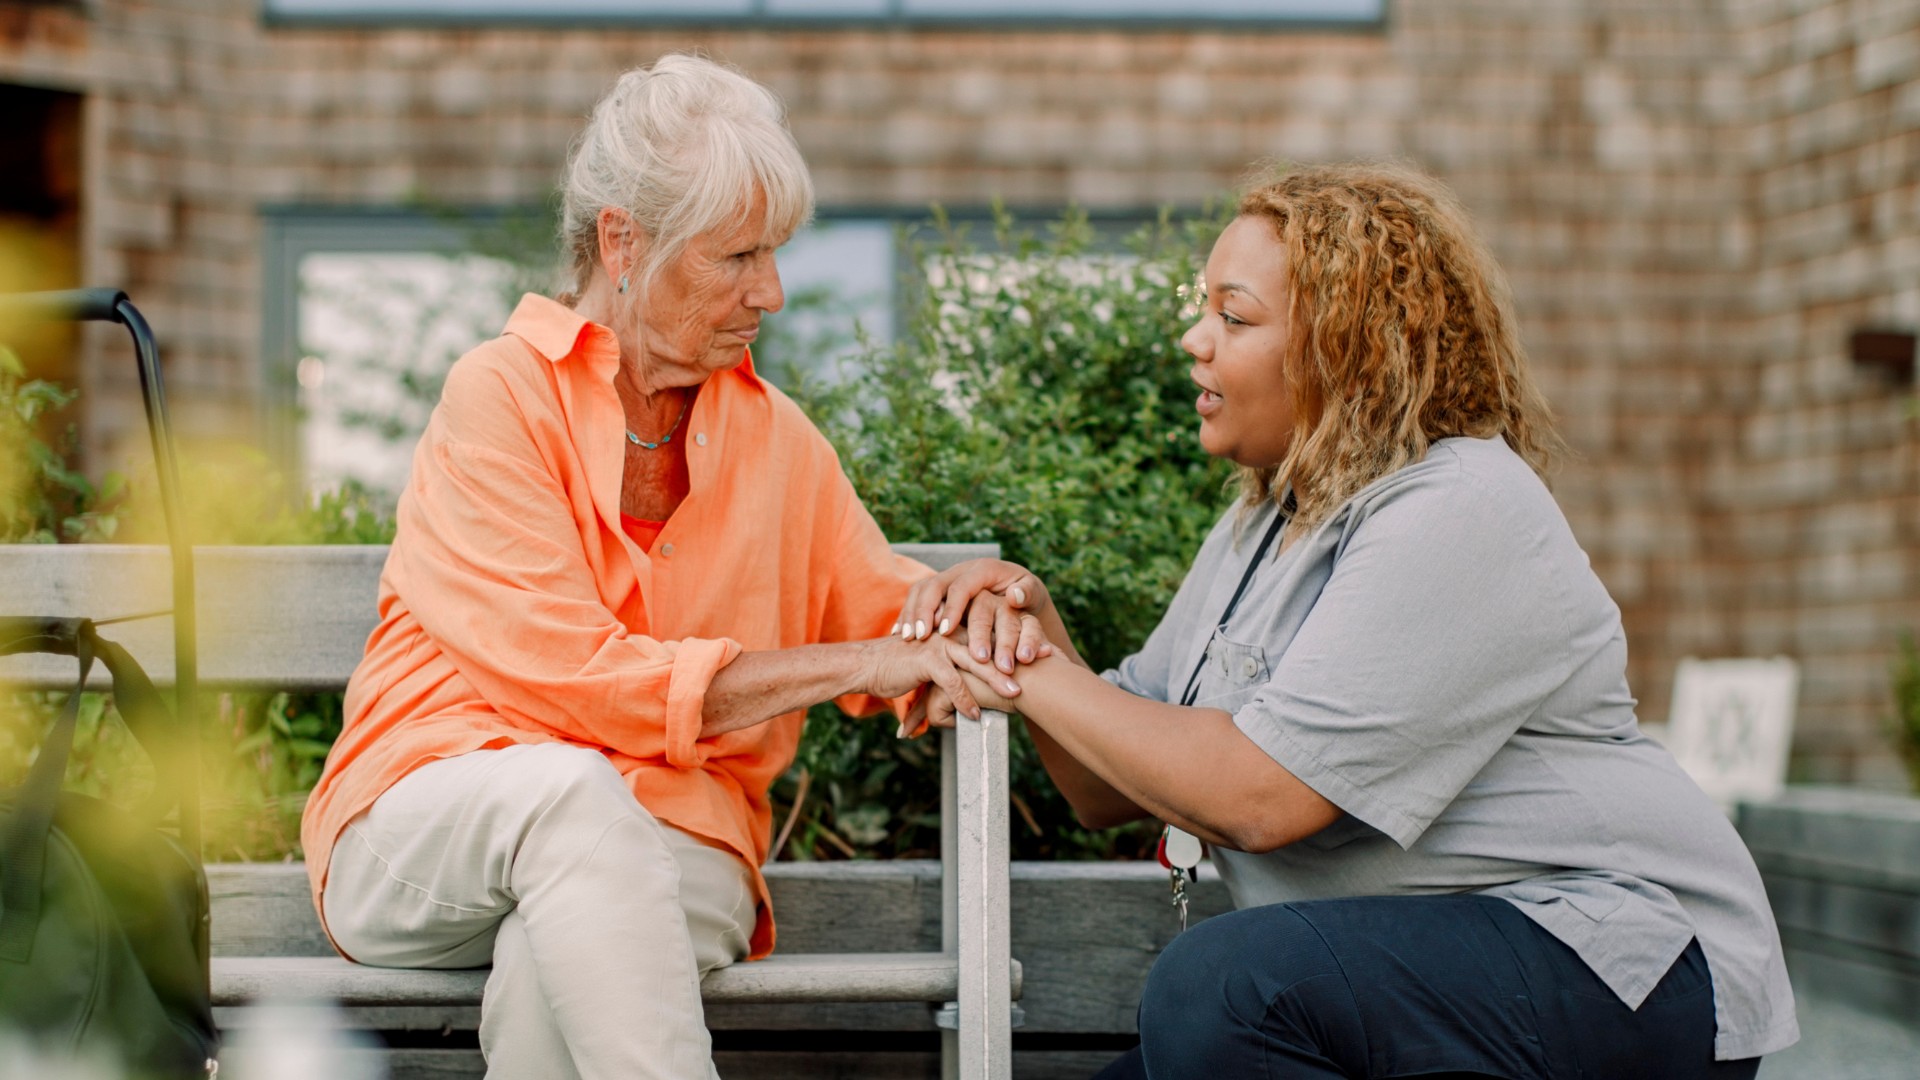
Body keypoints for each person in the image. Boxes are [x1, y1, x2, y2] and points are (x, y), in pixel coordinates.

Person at [898, 163, 1799, 1078]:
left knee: (1223, 991)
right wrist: (1028, 627)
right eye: (1200, 307)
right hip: (1442, 978)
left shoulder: (1461, 506)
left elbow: (1260, 800)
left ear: (1347, 345)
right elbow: (1107, 790)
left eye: (1234, 317)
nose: (1193, 340)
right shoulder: (1265, 522)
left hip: (1622, 966)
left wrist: (1037, 676)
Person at [299, 55, 1037, 1080]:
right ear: (623, 242)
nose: (769, 292)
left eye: (774, 254)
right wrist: (843, 665)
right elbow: (582, 683)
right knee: (570, 796)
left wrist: (974, 607)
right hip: (432, 820)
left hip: (679, 839)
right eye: (737, 256)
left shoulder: (779, 443)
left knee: (546, 978)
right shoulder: (501, 400)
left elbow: (894, 618)